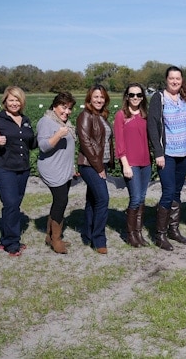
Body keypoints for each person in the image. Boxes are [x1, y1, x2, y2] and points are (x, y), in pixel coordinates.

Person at [0, 86, 37, 256]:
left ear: (22, 102)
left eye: (17, 100)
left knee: (13, 204)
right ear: (5, 101)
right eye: (11, 100)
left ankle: (6, 238)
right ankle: (12, 244)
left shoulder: (25, 120)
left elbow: (31, 144)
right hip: (2, 166)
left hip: (22, 168)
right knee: (11, 203)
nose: (14, 103)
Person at [148, 66, 186, 251]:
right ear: (166, 80)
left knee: (176, 192)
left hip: (184, 152)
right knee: (168, 192)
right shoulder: (159, 98)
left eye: (178, 78)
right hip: (167, 154)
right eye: (171, 78)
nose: (175, 81)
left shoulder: (185, 99)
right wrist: (158, 152)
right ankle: (160, 235)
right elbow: (153, 126)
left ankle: (174, 229)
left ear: (182, 80)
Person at [37, 92, 77, 254]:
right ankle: (56, 239)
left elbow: (68, 148)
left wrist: (72, 166)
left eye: (69, 108)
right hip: (52, 169)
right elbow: (43, 146)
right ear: (54, 106)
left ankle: (50, 236)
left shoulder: (63, 122)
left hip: (64, 169)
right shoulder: (46, 121)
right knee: (61, 201)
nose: (67, 111)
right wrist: (58, 134)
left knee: (59, 202)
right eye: (63, 107)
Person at [77, 85, 114, 255]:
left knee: (93, 200)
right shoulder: (85, 115)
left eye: (102, 97)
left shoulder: (102, 116)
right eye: (96, 97)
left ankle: (88, 234)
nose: (99, 100)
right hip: (89, 165)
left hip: (101, 163)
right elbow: (85, 143)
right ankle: (99, 239)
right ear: (89, 98)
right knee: (103, 199)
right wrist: (99, 168)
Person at [114, 83, 151, 248]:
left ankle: (138, 232)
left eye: (138, 95)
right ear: (127, 97)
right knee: (135, 198)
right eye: (131, 95)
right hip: (131, 163)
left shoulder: (145, 115)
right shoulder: (121, 115)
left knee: (142, 198)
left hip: (146, 163)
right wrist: (125, 164)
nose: (135, 98)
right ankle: (130, 234)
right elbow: (119, 142)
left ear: (142, 97)